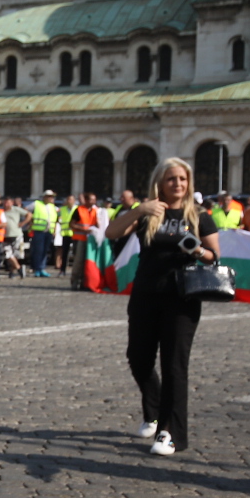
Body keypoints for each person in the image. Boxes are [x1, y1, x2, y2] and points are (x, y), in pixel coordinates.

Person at [105, 157, 219, 457]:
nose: (177, 184)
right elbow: (111, 233)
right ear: (160, 182)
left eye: (182, 179)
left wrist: (198, 250)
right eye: (171, 179)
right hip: (145, 294)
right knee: (138, 358)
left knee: (174, 365)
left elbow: (215, 257)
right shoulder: (147, 213)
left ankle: (171, 433)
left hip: (182, 298)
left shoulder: (199, 215)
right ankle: (153, 412)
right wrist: (139, 209)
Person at [27, 190, 57, 277]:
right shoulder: (36, 204)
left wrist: (54, 230)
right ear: (44, 197)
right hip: (38, 231)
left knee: (45, 251)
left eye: (52, 197)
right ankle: (37, 268)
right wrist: (30, 221)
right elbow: (26, 210)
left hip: (49, 231)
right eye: (49, 196)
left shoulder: (52, 207)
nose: (51, 198)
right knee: (38, 250)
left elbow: (54, 219)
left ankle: (42, 268)